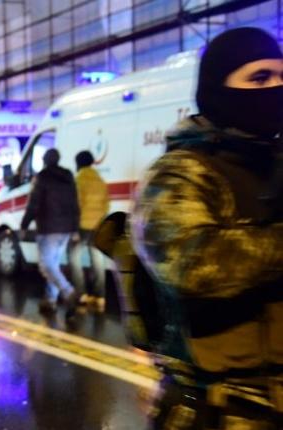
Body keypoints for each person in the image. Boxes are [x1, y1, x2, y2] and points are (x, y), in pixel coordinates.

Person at [131, 27, 283, 429]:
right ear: (218, 89)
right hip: (218, 407)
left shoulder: (272, 162)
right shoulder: (182, 172)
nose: (275, 88)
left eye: (282, 76)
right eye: (259, 78)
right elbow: (193, 264)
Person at [20, 149, 80, 317]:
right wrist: (74, 228)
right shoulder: (68, 176)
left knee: (46, 265)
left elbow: (34, 204)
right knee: (53, 264)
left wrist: (24, 225)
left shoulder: (42, 177)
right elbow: (75, 204)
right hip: (66, 229)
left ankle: (68, 292)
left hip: (48, 228)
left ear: (45, 160)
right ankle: (51, 300)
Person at [69, 151, 109, 312]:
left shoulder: (79, 180)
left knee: (74, 259)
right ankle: (100, 296)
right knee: (98, 260)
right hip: (98, 225)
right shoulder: (100, 180)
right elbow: (107, 204)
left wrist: (74, 228)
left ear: (78, 163)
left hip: (82, 225)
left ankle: (81, 294)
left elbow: (75, 206)